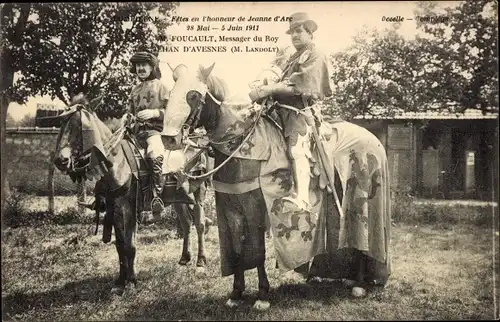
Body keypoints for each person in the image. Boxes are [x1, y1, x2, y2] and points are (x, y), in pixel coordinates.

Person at [248, 12, 333, 212]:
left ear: (310, 33)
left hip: (300, 111)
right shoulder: (292, 57)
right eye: (292, 32)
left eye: (299, 31)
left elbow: (299, 85)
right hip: (282, 111)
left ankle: (302, 196)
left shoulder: (316, 54)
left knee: (297, 149)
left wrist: (268, 89)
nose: (294, 36)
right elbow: (279, 80)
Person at [128, 51, 170, 219]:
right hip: (135, 133)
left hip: (154, 132)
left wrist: (154, 113)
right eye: (138, 65)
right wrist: (128, 117)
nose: (140, 68)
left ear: (152, 67)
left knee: (153, 156)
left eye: (144, 65)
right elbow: (129, 111)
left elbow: (173, 112)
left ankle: (156, 199)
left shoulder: (162, 87)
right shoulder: (134, 89)